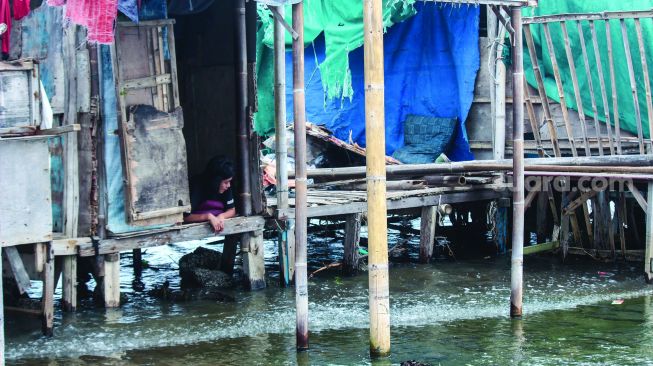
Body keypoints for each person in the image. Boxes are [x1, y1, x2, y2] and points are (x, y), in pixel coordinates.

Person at [184, 156, 237, 233]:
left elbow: (232, 210)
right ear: (216, 181)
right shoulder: (197, 185)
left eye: (229, 182)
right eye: (225, 182)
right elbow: (185, 217)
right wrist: (208, 216)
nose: (228, 185)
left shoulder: (227, 186)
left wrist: (221, 216)